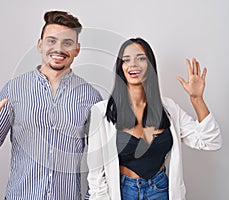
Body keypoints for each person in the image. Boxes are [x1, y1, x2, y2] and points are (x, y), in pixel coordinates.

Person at [0, 10, 102, 200]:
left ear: (77, 49)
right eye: (51, 41)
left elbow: (100, 161)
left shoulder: (91, 97)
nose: (59, 49)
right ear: (40, 44)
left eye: (67, 43)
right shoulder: (15, 89)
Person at [86, 38, 222, 200]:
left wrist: (197, 99)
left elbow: (210, 141)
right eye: (126, 60)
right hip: (123, 192)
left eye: (141, 58)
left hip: (160, 190)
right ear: (121, 67)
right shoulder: (101, 112)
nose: (133, 64)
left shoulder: (169, 109)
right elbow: (96, 175)